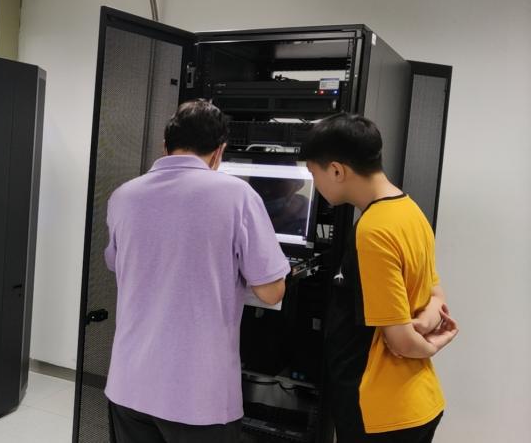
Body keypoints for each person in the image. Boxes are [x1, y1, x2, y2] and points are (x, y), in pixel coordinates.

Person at [103, 99, 289, 443]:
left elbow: (120, 265)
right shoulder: (238, 196)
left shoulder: (123, 196)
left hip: (129, 384)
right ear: (219, 152)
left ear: (165, 146)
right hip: (197, 397)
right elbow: (271, 291)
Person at [299, 113, 458, 442]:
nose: (315, 184)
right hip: (416, 399)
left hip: (380, 411)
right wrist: (426, 323)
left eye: (314, 173)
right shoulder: (410, 211)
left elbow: (400, 341)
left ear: (337, 170)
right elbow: (436, 295)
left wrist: (434, 343)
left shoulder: (373, 231)